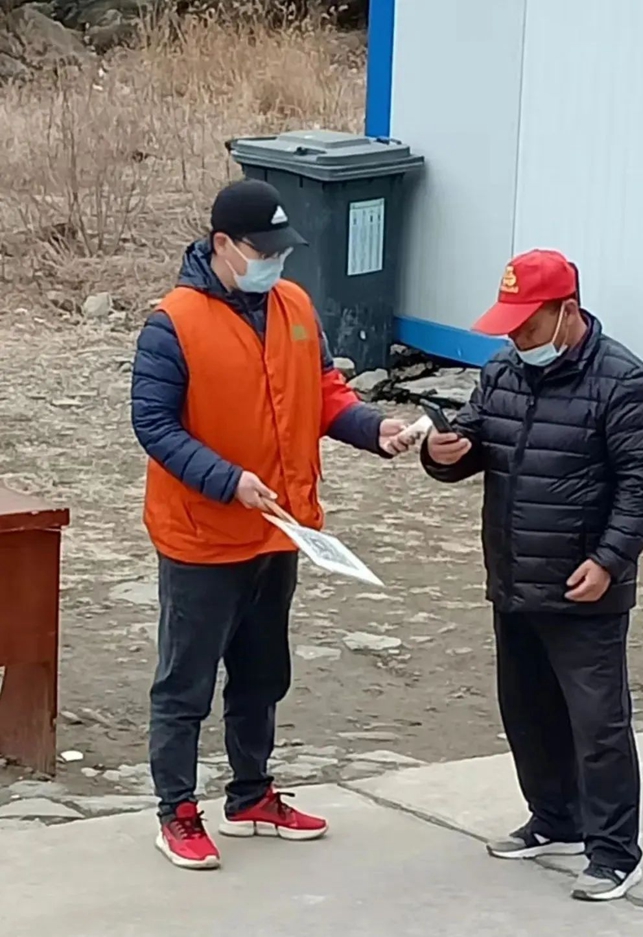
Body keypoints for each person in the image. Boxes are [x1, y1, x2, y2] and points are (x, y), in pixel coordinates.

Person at [131, 179, 408, 870]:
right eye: (264, 252)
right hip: (202, 537)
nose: (276, 264)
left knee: (262, 674)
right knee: (185, 684)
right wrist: (226, 480)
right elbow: (154, 424)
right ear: (222, 245)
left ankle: (251, 794)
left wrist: (375, 429)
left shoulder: (295, 306)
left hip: (279, 529)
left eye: (283, 252)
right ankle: (176, 810)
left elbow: (324, 393)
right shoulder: (173, 322)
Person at [421, 249, 643, 902]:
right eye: (509, 326)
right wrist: (442, 452)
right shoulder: (502, 370)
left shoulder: (624, 382)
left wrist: (609, 560)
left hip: (585, 585)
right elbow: (474, 442)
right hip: (513, 577)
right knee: (527, 712)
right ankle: (554, 818)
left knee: (597, 725)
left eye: (528, 326)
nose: (517, 338)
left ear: (567, 312)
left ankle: (614, 852)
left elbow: (642, 485)